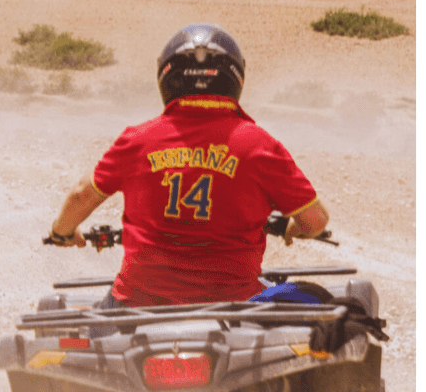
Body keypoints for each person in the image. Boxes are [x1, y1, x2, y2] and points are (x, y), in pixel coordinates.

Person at [46, 24, 329, 308]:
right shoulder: (259, 144)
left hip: (138, 303)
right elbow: (315, 221)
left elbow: (82, 194)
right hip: (233, 307)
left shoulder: (137, 140)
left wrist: (63, 232)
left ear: (166, 76)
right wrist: (297, 226)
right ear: (236, 77)